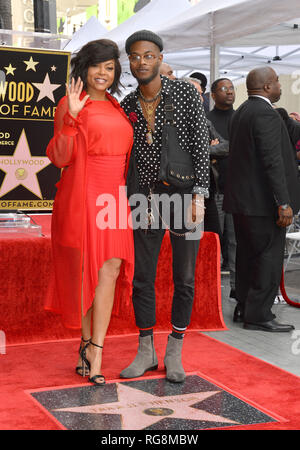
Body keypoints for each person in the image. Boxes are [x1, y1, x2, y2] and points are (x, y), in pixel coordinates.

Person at [120, 30, 210, 383]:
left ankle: (175, 350)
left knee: (184, 279)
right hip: (145, 198)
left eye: (148, 55)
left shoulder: (186, 93)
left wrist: (200, 195)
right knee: (143, 279)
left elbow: (201, 145)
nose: (141, 61)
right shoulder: (128, 103)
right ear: (129, 62)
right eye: (135, 56)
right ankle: (145, 350)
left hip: (185, 197)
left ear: (159, 58)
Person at [45, 39, 134, 385]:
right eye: (97, 65)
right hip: (82, 193)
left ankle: (96, 349)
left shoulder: (116, 106)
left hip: (115, 197)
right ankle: (88, 348)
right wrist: (71, 118)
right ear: (85, 68)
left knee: (110, 271)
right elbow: (60, 157)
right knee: (88, 272)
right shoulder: (70, 102)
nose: (103, 73)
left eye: (110, 67)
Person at [223, 66, 300, 332]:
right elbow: (272, 161)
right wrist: (284, 202)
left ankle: (245, 306)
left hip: (244, 203)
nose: (280, 86)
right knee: (267, 259)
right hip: (264, 204)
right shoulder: (265, 114)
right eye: (277, 82)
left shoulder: (243, 111)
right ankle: (259, 314)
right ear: (267, 87)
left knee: (247, 257)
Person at [183, 76, 228, 243]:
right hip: (184, 192)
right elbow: (181, 154)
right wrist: (208, 152)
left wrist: (205, 150)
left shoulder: (204, 121)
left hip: (207, 190)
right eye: (197, 93)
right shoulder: (172, 122)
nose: (201, 98)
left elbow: (226, 146)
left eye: (201, 94)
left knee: (213, 237)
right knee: (190, 241)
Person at [207, 78, 236, 299]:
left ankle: (236, 290)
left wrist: (215, 148)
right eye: (223, 89)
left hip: (237, 190)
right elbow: (200, 150)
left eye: (231, 88)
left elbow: (238, 146)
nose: (229, 92)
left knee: (235, 244)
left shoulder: (241, 118)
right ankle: (211, 292)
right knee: (214, 241)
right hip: (215, 190)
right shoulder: (207, 120)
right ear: (213, 95)